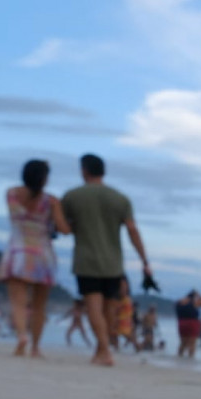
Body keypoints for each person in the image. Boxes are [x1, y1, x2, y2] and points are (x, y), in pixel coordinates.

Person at [61, 154, 151, 367]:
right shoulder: (120, 198)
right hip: (114, 263)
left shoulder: (73, 196)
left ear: (84, 170)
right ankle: (102, 350)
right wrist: (144, 260)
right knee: (109, 309)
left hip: (86, 261)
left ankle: (105, 351)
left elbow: (63, 228)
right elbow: (132, 230)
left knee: (93, 307)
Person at [0, 159, 71, 358]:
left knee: (18, 302)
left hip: (18, 251)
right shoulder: (51, 201)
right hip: (42, 255)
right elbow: (64, 229)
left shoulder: (11, 194)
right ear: (45, 178)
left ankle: (21, 336)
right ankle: (36, 347)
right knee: (39, 306)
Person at [175, 290, 201, 358]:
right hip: (192, 322)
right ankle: (191, 360)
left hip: (181, 322)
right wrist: (200, 296)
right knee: (192, 343)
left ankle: (179, 357)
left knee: (183, 343)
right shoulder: (194, 302)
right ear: (194, 296)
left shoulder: (179, 301)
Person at [112, 277, 138, 351]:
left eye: (124, 287)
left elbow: (129, 312)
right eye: (120, 287)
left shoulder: (127, 299)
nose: (122, 289)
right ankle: (116, 348)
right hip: (119, 320)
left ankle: (137, 347)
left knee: (128, 336)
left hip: (124, 321)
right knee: (115, 335)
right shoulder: (119, 299)